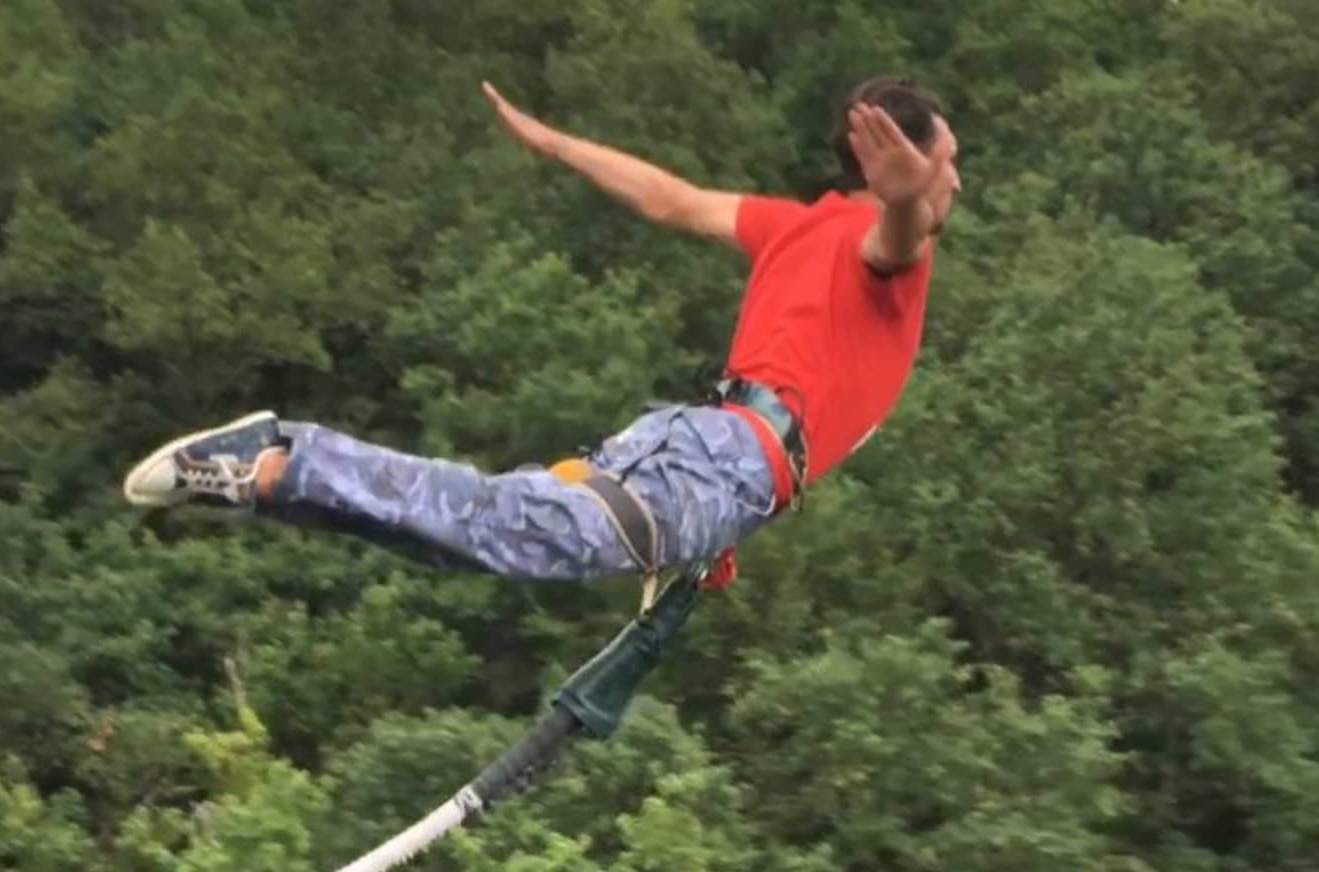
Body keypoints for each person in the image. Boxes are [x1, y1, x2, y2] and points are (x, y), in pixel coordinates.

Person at [123, 75, 960, 589]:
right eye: (943, 165)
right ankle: (285, 452)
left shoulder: (795, 223)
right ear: (895, 168)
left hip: (702, 442)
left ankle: (263, 479)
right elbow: (893, 242)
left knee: (480, 543)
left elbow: (669, 198)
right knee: (506, 527)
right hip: (731, 455)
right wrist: (900, 198)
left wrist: (558, 144)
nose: (952, 181)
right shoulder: (888, 250)